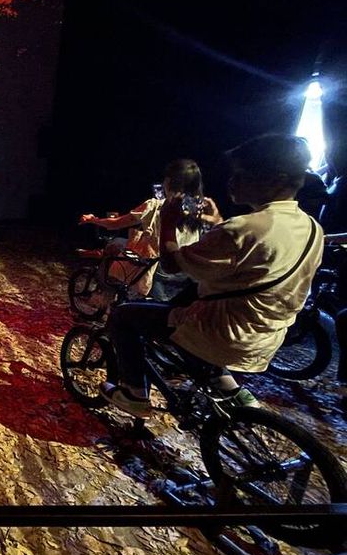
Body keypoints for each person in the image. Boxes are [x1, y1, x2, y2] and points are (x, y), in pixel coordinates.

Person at [100, 134, 324, 417]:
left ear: (276, 180)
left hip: (222, 332)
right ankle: (233, 391)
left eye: (242, 174)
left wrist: (167, 221)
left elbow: (171, 263)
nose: (232, 181)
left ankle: (134, 393)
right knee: (180, 310)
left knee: (123, 315)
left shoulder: (242, 228)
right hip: (267, 335)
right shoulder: (312, 228)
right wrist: (217, 222)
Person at [80, 159, 223, 301]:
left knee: (115, 244)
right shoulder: (202, 213)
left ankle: (105, 293)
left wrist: (94, 220)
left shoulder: (156, 206)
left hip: (157, 268)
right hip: (185, 275)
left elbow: (115, 224)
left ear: (168, 181)